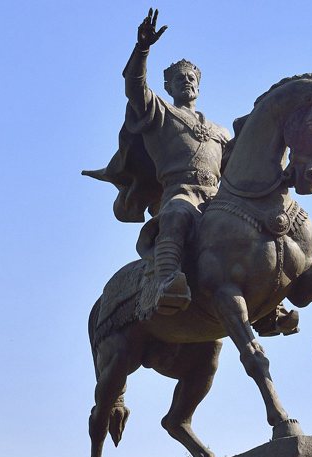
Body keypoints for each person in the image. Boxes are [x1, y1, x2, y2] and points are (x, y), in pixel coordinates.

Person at [84, 8, 229, 315]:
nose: (186, 82)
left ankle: (271, 305)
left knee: (254, 222)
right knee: (176, 214)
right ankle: (166, 279)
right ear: (168, 87)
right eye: (179, 79)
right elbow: (134, 87)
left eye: (191, 78)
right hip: (179, 192)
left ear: (199, 86)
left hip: (217, 197)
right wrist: (142, 49)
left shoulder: (220, 131)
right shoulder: (159, 112)